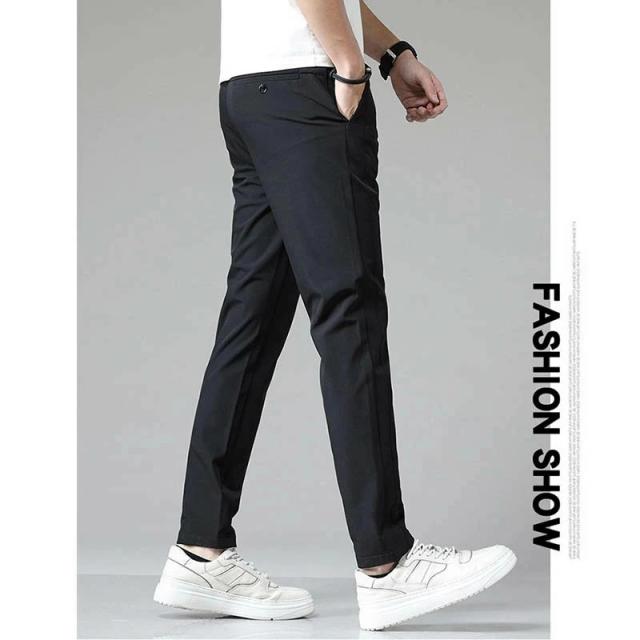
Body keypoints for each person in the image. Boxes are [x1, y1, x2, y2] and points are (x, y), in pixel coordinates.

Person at [153, 0, 516, 630]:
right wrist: (348, 63)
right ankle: (387, 561)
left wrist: (392, 53)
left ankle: (200, 549)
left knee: (252, 319)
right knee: (350, 316)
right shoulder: (326, 71)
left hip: (251, 90)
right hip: (308, 89)